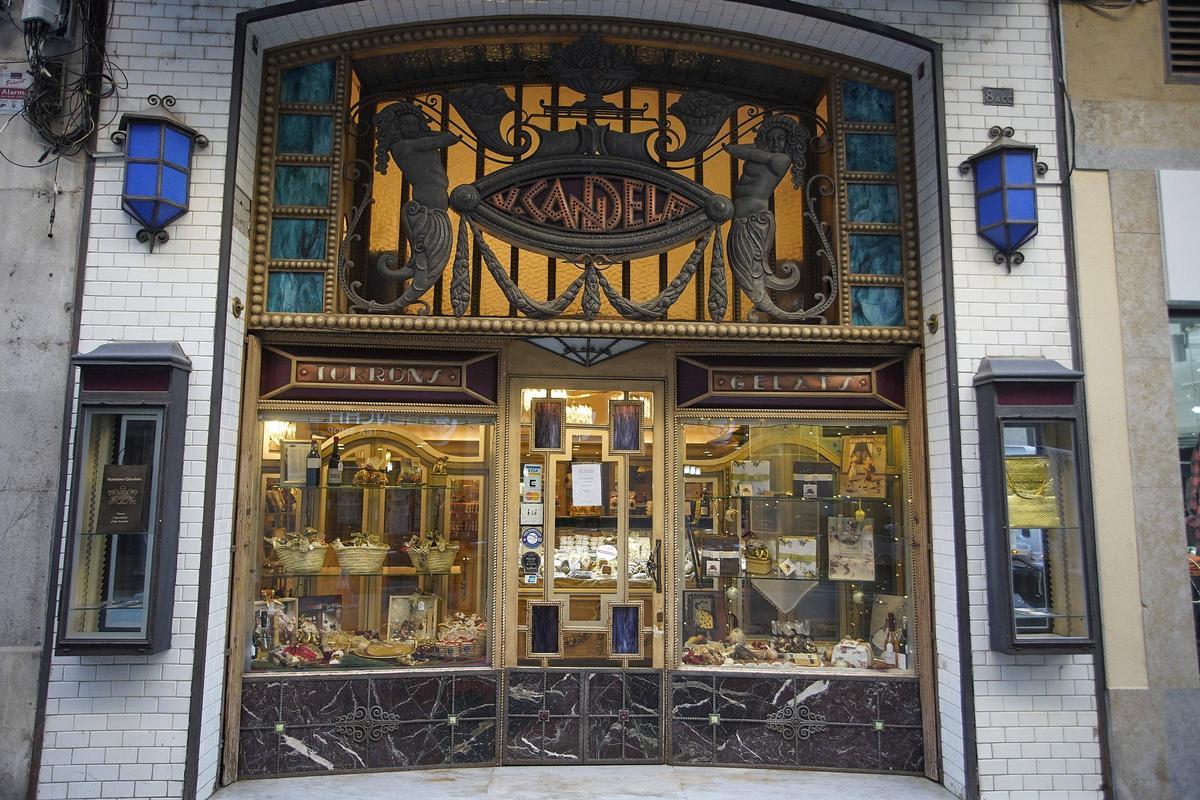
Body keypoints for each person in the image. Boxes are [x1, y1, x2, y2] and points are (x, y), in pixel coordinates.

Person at [724, 115, 813, 319]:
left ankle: (779, 313)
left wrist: (729, 149)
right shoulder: (763, 152)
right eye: (770, 139)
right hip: (742, 219)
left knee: (752, 267)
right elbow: (755, 148)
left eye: (780, 139)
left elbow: (748, 152)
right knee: (742, 267)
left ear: (788, 142)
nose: (774, 143)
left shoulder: (781, 159)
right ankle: (772, 310)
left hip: (756, 220)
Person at [373, 101, 462, 305]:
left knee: (430, 258)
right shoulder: (404, 146)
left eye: (415, 124)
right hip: (427, 208)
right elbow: (450, 138)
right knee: (427, 260)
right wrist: (427, 130)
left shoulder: (412, 143)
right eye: (407, 125)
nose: (412, 129)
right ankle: (397, 304)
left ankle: (399, 302)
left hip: (434, 207)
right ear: (397, 128)